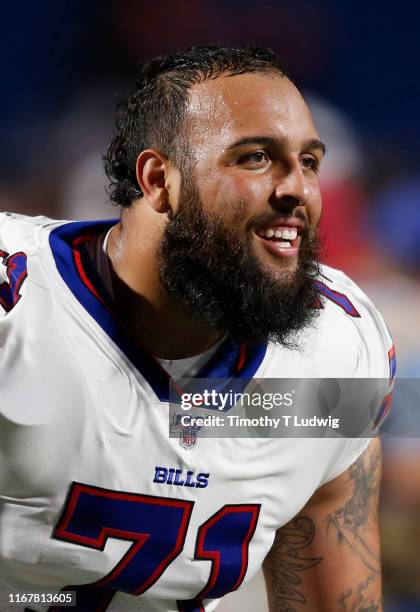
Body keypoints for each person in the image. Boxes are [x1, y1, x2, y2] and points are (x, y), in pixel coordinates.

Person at [0, 46, 393, 612]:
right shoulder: (19, 312)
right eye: (256, 158)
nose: (298, 191)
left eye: (309, 162)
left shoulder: (334, 348)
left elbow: (333, 586)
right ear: (159, 179)